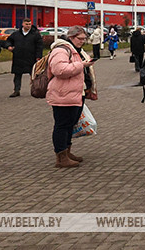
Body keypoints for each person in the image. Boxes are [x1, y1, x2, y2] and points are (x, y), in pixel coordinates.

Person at [47, 26, 96, 168]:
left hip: (75, 93)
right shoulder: (61, 50)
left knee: (70, 124)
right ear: (71, 37)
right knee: (62, 125)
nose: (82, 41)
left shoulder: (76, 51)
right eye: (80, 39)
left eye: (84, 39)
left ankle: (67, 151)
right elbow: (59, 70)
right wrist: (82, 64)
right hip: (62, 94)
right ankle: (61, 156)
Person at [6, 18, 44, 98]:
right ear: (23, 24)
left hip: (31, 58)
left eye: (29, 24)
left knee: (34, 75)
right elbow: (8, 41)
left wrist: (38, 56)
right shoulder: (16, 34)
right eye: (27, 24)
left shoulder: (35, 34)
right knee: (17, 75)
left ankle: (35, 90)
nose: (28, 26)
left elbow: (39, 46)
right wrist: (8, 46)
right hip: (18, 58)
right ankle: (16, 90)